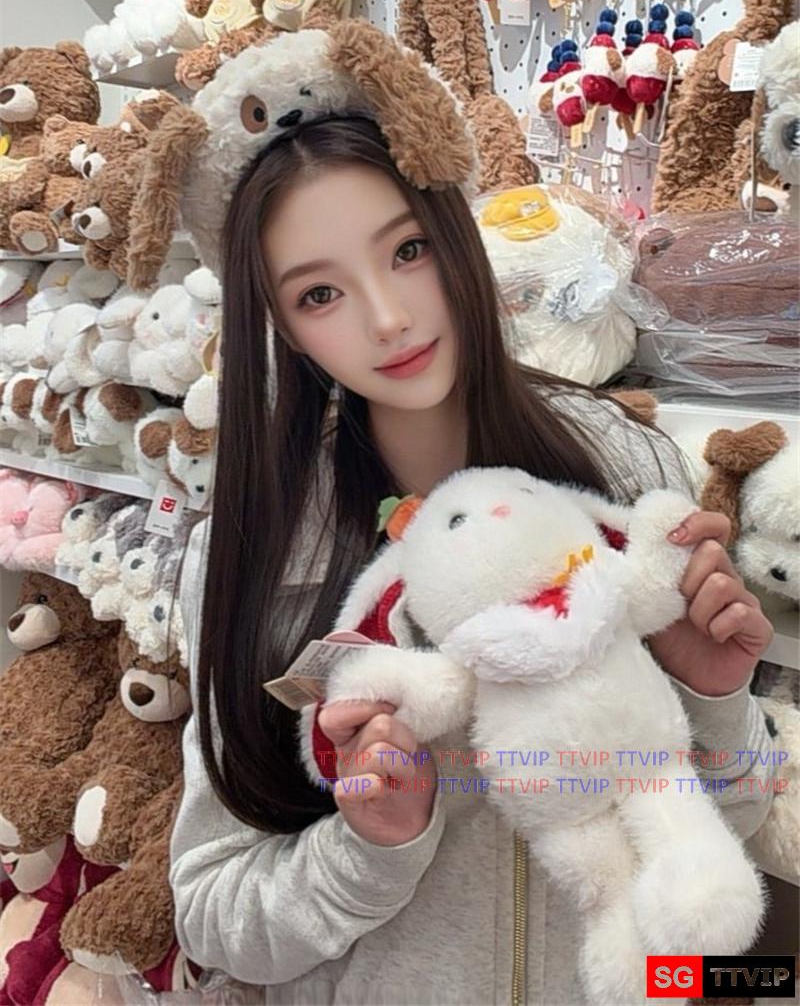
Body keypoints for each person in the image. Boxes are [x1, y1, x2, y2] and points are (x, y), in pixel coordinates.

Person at [170, 96, 777, 1003]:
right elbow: (214, 913)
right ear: (283, 327)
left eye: (408, 250)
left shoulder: (625, 472)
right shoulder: (258, 555)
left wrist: (716, 701)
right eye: (319, 294)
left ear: (457, 234)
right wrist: (369, 847)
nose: (387, 318)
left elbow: (740, 812)